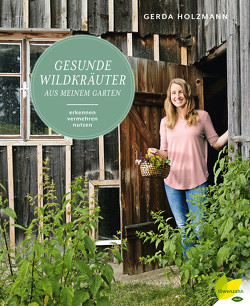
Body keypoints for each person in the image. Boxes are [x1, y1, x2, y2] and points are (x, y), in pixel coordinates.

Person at [148, 78, 228, 256]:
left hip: (197, 181)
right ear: (170, 97)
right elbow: (165, 152)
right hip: (172, 180)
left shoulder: (202, 116)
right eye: (174, 93)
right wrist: (156, 153)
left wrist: (232, 130)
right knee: (184, 229)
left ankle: (204, 266)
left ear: (187, 93)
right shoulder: (165, 122)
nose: (177, 96)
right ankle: (191, 272)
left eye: (180, 91)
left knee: (200, 228)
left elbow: (215, 143)